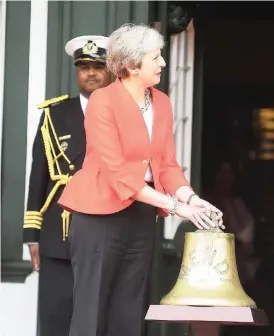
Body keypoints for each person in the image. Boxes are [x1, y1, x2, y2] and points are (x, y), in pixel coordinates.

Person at [57, 23, 223, 336]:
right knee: (91, 313)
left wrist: (194, 200)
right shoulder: (102, 102)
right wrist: (177, 207)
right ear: (132, 64)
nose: (163, 63)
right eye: (156, 57)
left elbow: (168, 166)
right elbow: (118, 175)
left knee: (128, 312)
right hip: (98, 217)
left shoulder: (162, 102)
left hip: (141, 215)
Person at [23, 35, 111, 336]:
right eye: (84, 66)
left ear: (110, 70)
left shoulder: (124, 113)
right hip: (59, 229)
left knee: (100, 319)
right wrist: (32, 235)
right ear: (77, 71)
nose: (91, 73)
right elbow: (39, 175)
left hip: (105, 227)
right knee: (56, 317)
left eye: (98, 66)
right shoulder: (53, 114)